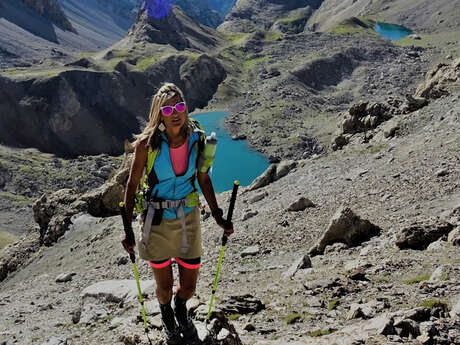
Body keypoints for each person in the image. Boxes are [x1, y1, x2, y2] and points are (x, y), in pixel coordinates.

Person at [121, 83, 233, 345]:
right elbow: (132, 184)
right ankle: (167, 317)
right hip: (156, 221)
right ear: (159, 113)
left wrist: (217, 215)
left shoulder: (198, 138)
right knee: (163, 287)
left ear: (186, 108)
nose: (175, 112)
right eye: (168, 108)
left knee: (189, 287)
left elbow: (203, 177)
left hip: (188, 218)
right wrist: (127, 230)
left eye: (180, 106)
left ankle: (181, 309)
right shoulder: (146, 146)